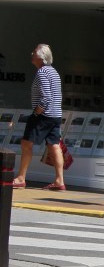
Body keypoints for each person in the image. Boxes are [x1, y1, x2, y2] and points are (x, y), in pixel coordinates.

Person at [12, 44, 65, 191]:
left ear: (41, 57)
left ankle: (21, 178)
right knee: (54, 146)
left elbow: (46, 97)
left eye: (34, 52)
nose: (32, 53)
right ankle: (59, 180)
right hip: (55, 115)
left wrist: (36, 112)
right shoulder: (54, 72)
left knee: (26, 144)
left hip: (44, 115)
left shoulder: (42, 72)